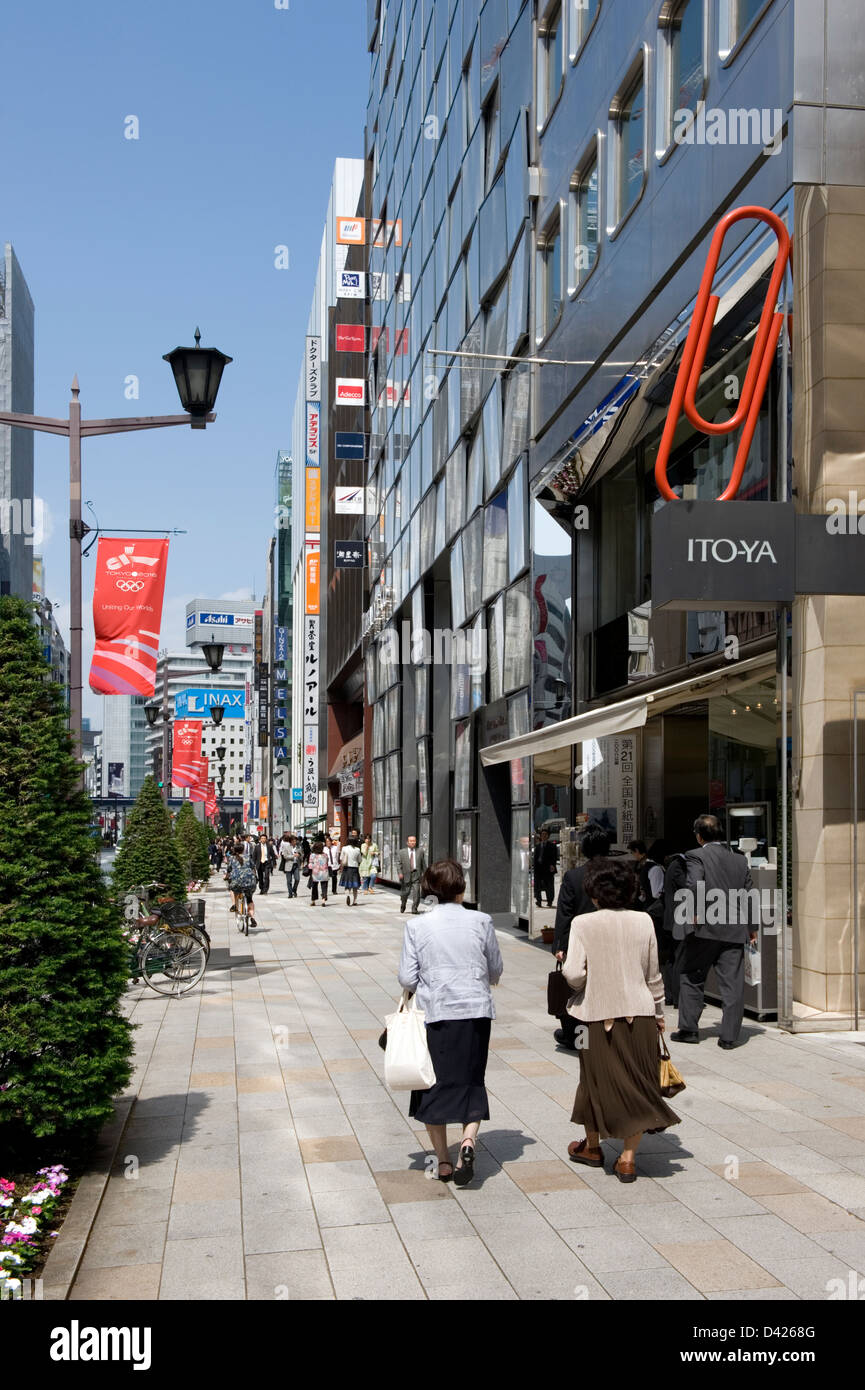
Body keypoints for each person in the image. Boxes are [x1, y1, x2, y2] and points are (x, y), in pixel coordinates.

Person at [562, 858, 680, 1183]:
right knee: (640, 1080)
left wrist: (579, 982)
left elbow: (572, 972)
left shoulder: (583, 924)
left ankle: (592, 1146)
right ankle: (627, 1159)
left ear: (595, 892)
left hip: (594, 1017)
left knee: (591, 1078)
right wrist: (659, 1015)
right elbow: (653, 975)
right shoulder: (644, 921)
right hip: (640, 1014)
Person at [398, 858, 503, 1186]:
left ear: (429, 889)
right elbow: (495, 968)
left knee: (432, 1082)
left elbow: (407, 977)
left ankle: (443, 1161)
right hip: (475, 1012)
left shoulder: (417, 926)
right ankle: (469, 1142)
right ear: (460, 886)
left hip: (437, 1014)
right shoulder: (482, 920)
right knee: (472, 1078)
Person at [671, 814, 759, 1050]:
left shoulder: (695, 855)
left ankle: (689, 1030)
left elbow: (694, 883)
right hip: (734, 929)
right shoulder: (740, 861)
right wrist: (753, 928)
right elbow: (749, 895)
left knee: (691, 976)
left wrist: (696, 910)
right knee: (733, 984)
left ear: (699, 837)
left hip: (704, 929)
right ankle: (729, 1037)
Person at [552, 824, 611, 1049]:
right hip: (612, 942)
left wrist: (561, 946)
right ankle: (606, 1035)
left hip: (582, 944)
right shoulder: (620, 873)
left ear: (584, 849)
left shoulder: (574, 877)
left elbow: (565, 914)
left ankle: (577, 1038)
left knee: (577, 991)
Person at [227, 844, 257, 927]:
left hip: (237, 881)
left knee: (232, 890)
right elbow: (253, 867)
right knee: (249, 899)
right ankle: (252, 917)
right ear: (243, 850)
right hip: (249, 881)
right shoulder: (247, 857)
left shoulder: (232, 858)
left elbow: (229, 869)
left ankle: (234, 905)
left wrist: (227, 876)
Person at [398, 835, 427, 914]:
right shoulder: (401, 852)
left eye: (414, 841)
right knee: (405, 893)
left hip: (416, 875)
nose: (412, 842)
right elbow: (398, 864)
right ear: (407, 842)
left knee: (417, 892)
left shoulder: (420, 851)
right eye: (411, 841)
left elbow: (423, 864)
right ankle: (403, 904)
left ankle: (414, 908)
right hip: (405, 875)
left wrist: (426, 873)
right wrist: (400, 873)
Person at [533, 827, 558, 908]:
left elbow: (554, 857)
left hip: (548, 869)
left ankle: (550, 901)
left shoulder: (552, 846)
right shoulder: (538, 846)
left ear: (548, 836)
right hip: (538, 869)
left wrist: (552, 866)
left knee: (549, 886)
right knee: (537, 886)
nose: (543, 836)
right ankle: (539, 901)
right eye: (542, 834)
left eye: (545, 834)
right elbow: (535, 857)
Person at [340, 836, 362, 905]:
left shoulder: (344, 848)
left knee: (347, 885)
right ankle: (354, 901)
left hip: (346, 868)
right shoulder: (357, 849)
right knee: (355, 886)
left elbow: (341, 858)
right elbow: (360, 860)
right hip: (355, 868)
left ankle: (348, 895)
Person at [307, 839, 330, 906]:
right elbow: (327, 862)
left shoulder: (312, 855)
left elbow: (310, 865)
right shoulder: (325, 855)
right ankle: (323, 900)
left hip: (315, 873)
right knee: (324, 886)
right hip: (324, 872)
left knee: (314, 887)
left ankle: (313, 901)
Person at [252, 831, 275, 895]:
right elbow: (254, 856)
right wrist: (253, 864)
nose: (263, 840)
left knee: (267, 876)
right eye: (262, 838)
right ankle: (261, 888)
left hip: (267, 862)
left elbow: (273, 855)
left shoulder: (269, 846)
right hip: (259, 863)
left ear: (266, 839)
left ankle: (265, 890)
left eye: (264, 838)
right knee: (260, 877)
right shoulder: (257, 846)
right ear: (260, 839)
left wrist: (274, 863)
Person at [277, 832, 300, 897]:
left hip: (296, 865)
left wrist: (299, 855)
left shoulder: (298, 847)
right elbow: (285, 856)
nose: (295, 842)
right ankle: (290, 893)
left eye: (295, 841)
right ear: (290, 842)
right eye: (293, 841)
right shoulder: (286, 847)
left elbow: (302, 854)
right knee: (289, 881)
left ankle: (294, 890)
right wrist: (293, 856)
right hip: (288, 865)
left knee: (297, 879)